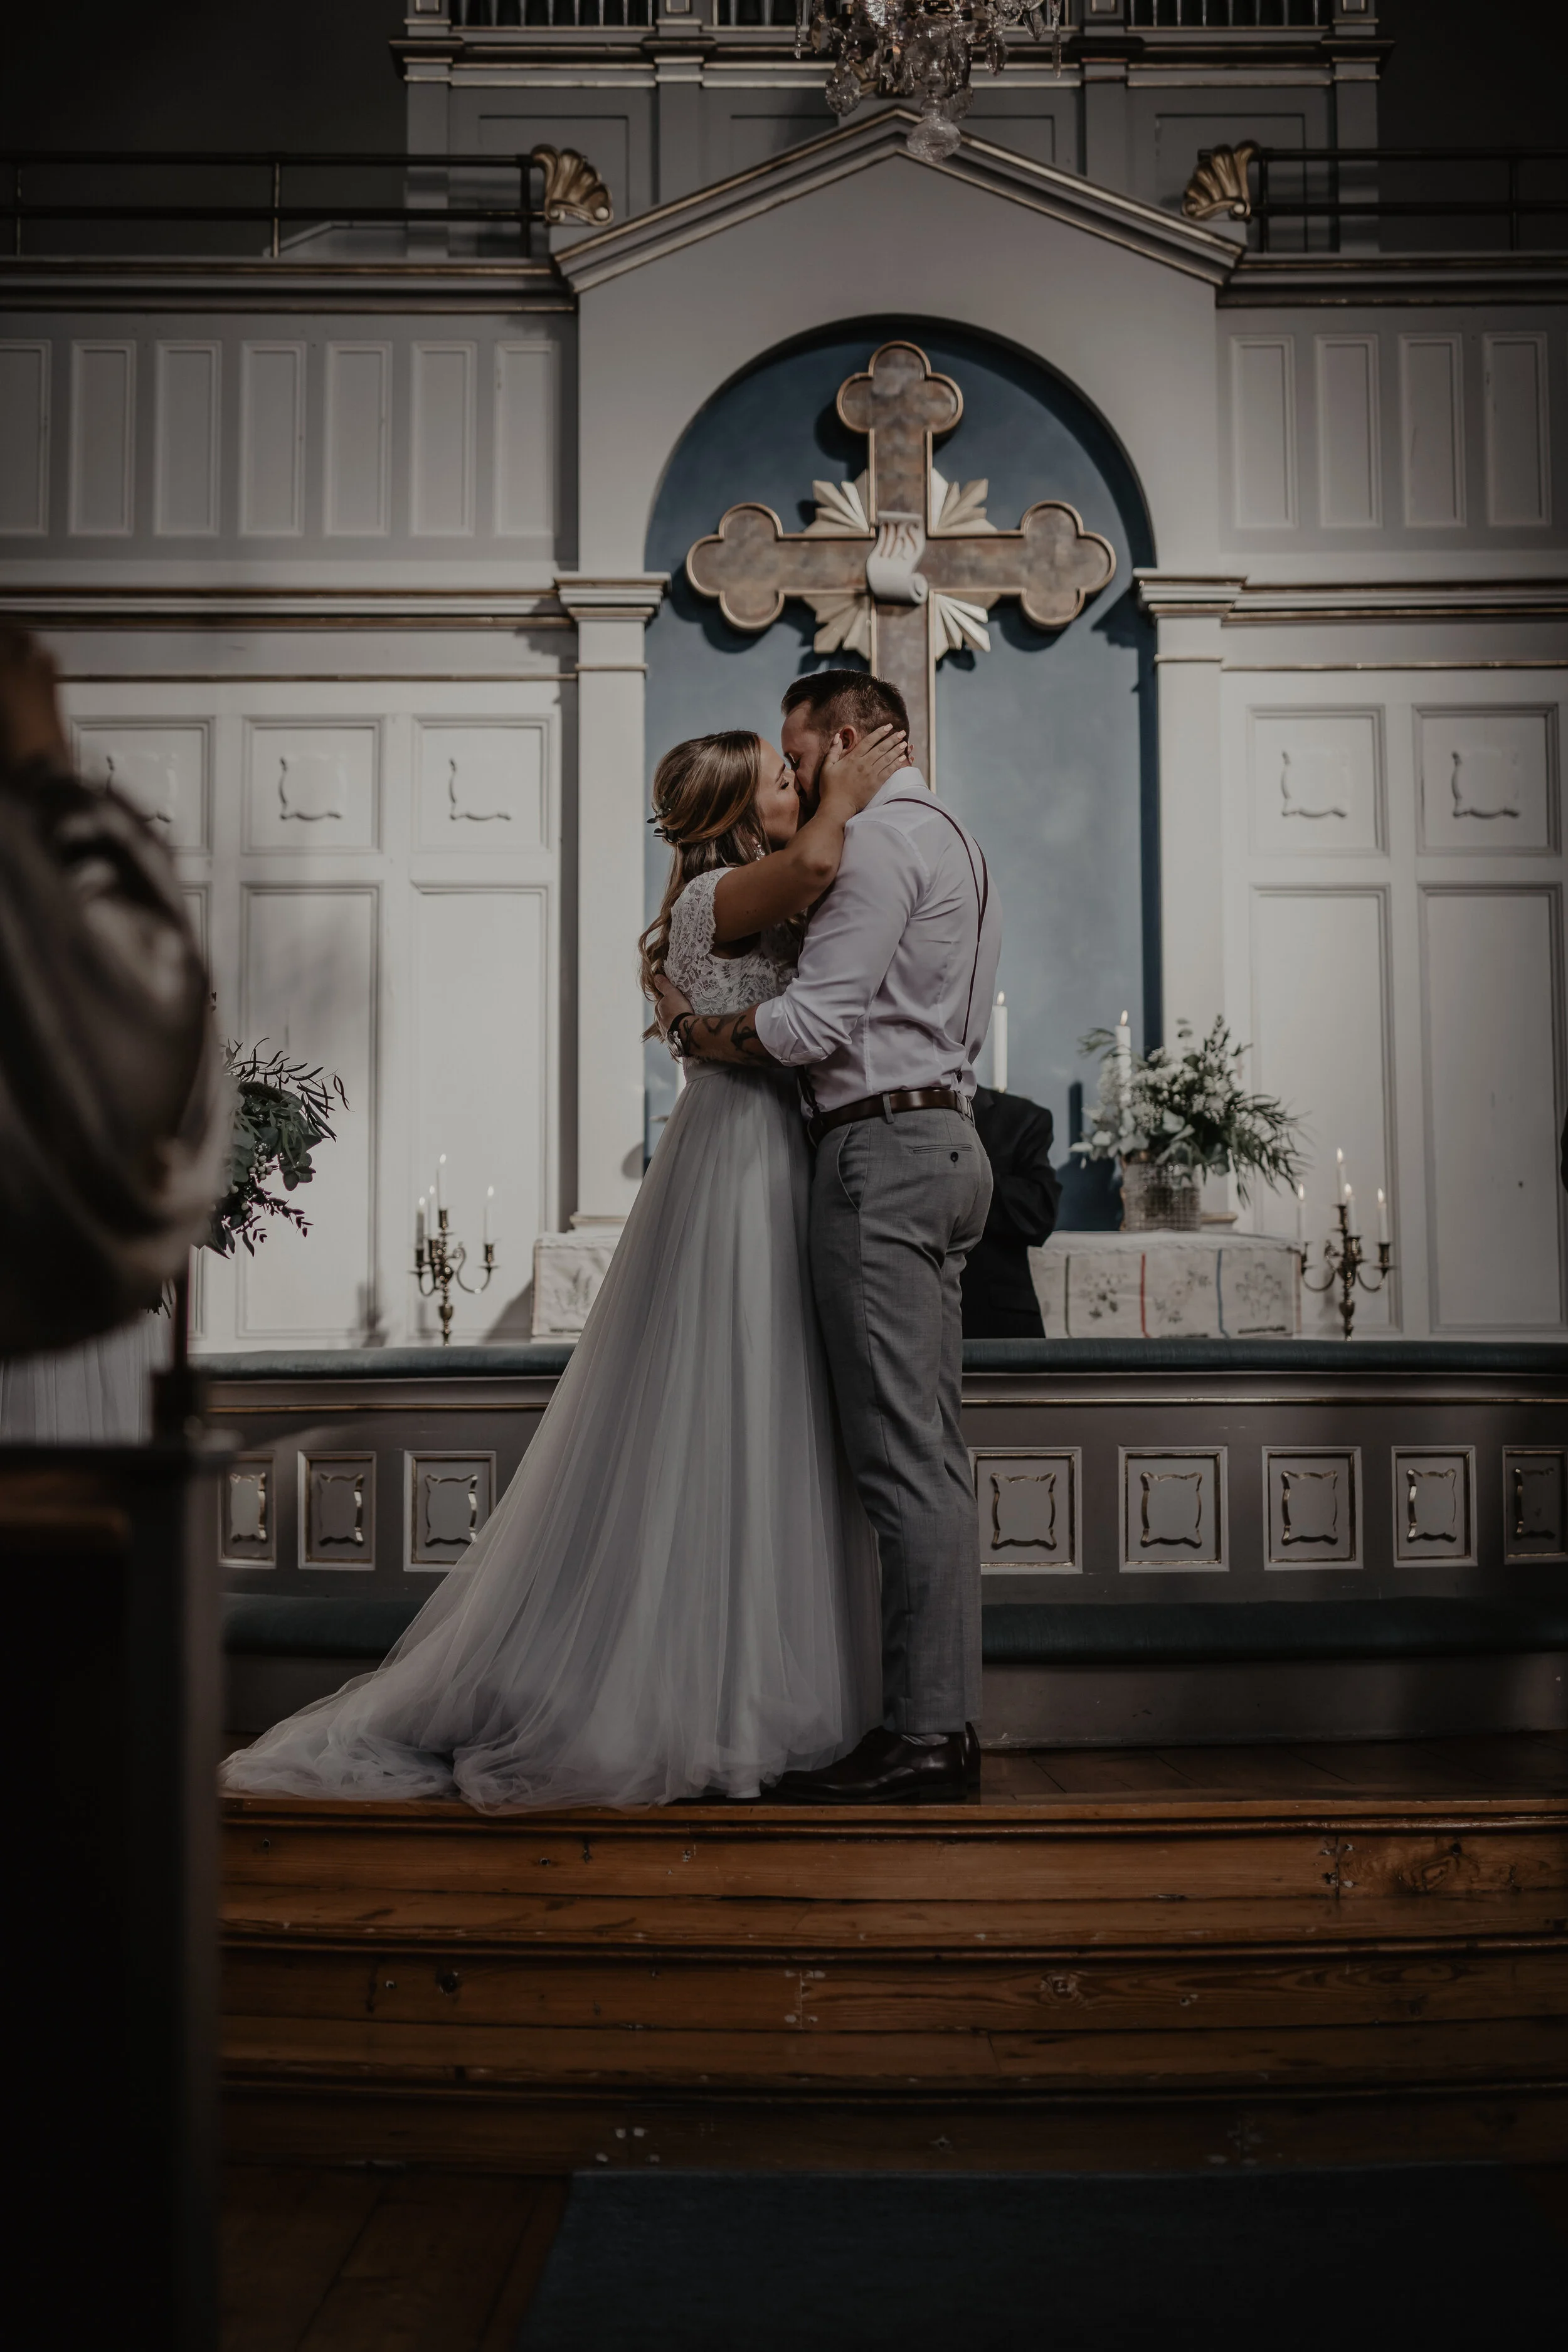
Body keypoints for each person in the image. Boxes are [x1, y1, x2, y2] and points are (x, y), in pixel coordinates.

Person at [223, 719, 904, 1810]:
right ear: (738, 808)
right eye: (785, 776)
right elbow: (824, 860)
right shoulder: (711, 901)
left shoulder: (754, 890)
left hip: (774, 1146)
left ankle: (750, 1684)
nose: (805, 782)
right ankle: (700, 1699)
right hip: (740, 1161)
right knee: (731, 1404)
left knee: (771, 1413)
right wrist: (856, 787)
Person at [656, 669, 1000, 1804]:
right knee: (932, 1457)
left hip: (880, 1156)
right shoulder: (951, 834)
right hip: (947, 1141)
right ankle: (939, 1724)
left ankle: (922, 1737)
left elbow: (810, 1023)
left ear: (845, 739)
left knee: (902, 1466)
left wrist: (704, 1030)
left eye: (799, 762)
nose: (799, 787)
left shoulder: (870, 848)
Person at [960, 1086, 1061, 1340]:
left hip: (993, 1318)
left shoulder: (1022, 1117)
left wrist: (962, 1169)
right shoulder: (881, 1113)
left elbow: (1039, 1214)